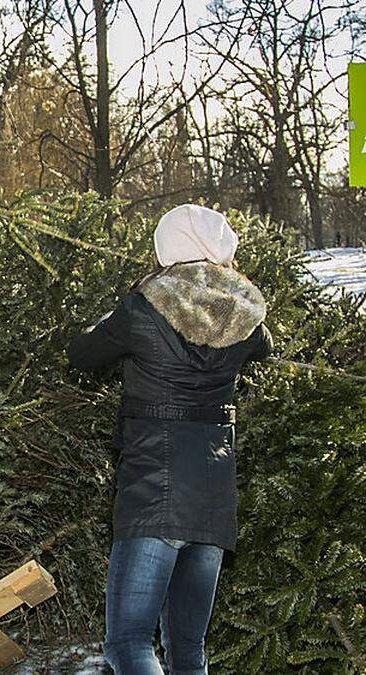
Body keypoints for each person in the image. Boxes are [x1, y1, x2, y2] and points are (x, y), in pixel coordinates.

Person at [66, 204, 273, 675]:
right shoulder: (245, 315)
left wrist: (111, 316)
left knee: (129, 643)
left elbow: (80, 354)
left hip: (151, 485)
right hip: (213, 495)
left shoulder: (142, 308)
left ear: (167, 249)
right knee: (188, 648)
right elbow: (266, 345)